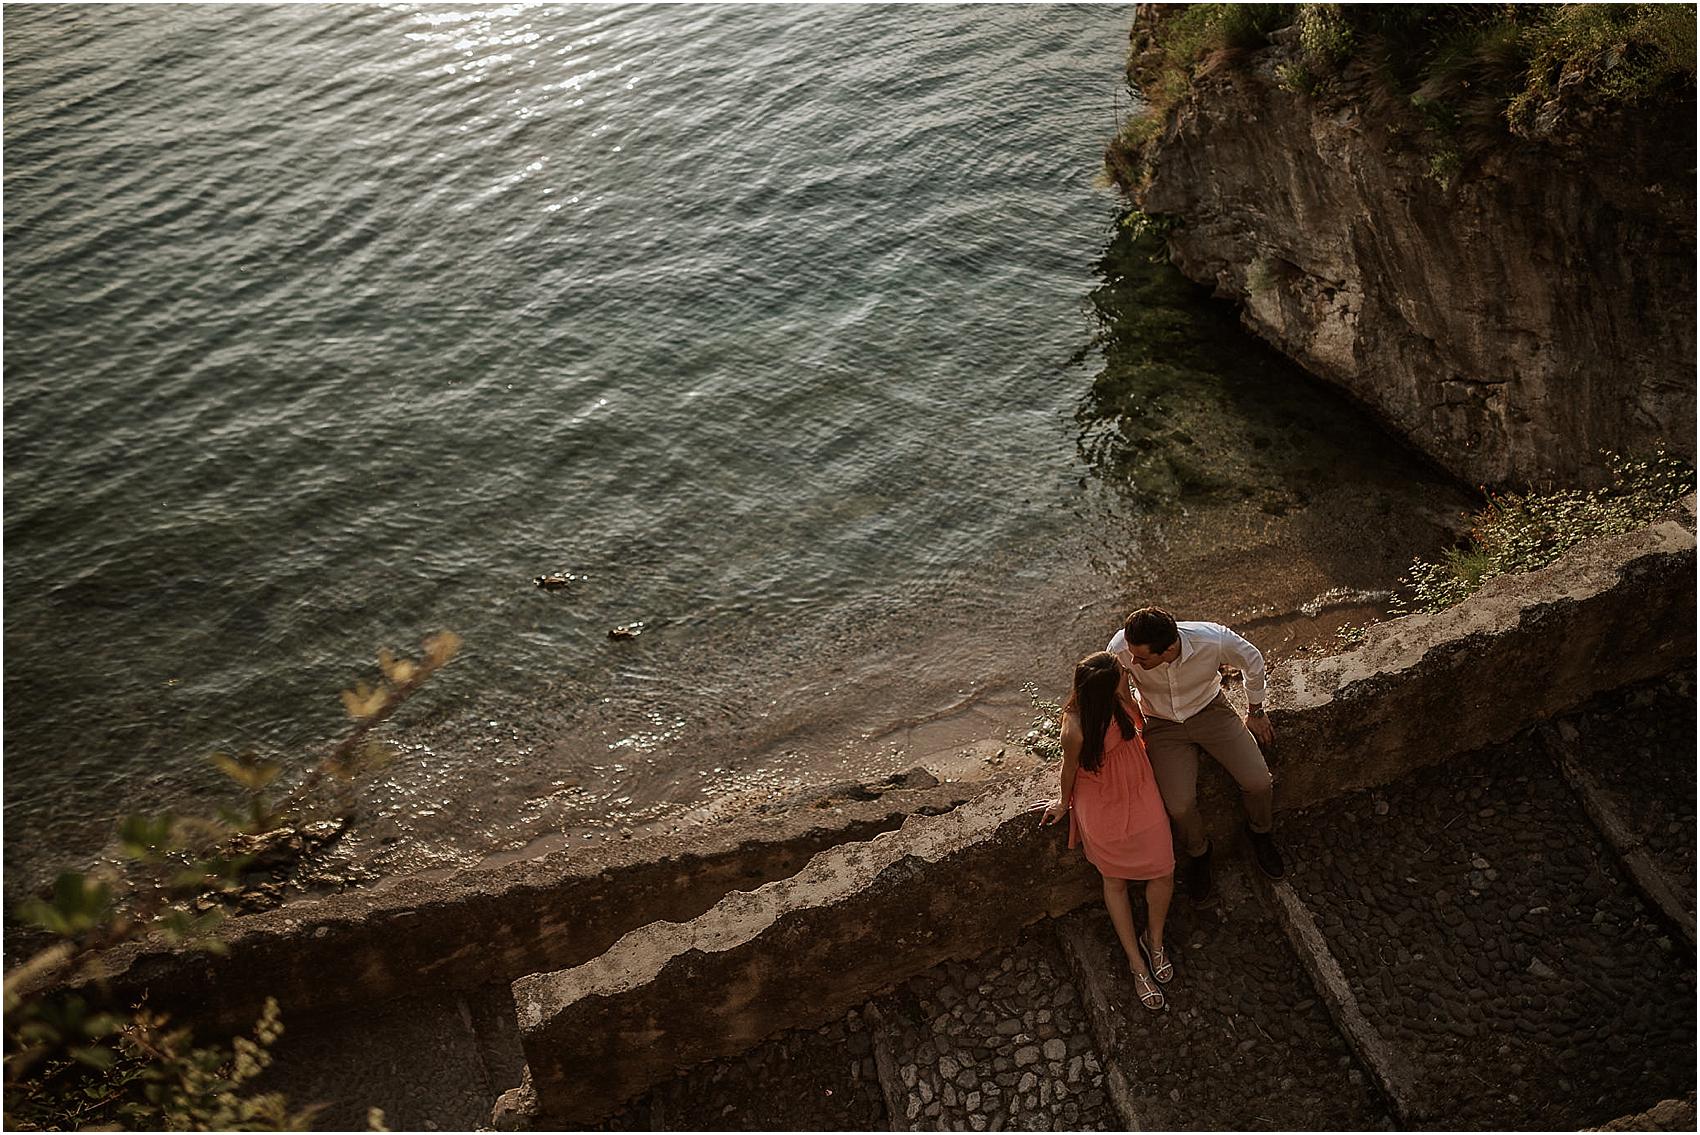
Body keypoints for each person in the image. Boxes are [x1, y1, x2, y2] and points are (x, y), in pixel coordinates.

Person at [1108, 606, 1286, 902]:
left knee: (1259, 782)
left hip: (1211, 712)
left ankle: (1260, 833)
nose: (1133, 661)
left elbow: (1253, 659)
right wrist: (1134, 721)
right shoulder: (1121, 647)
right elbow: (1115, 686)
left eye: (1141, 658)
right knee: (1178, 805)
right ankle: (1200, 852)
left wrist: (1255, 710)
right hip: (1161, 725)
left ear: (1167, 649)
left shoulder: (1212, 639)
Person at [1040, 651, 1176, 1011]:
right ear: (1103, 688)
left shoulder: (1119, 699)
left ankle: (1155, 940)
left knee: (1163, 868)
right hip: (1101, 804)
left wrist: (1125, 687)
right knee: (1113, 880)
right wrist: (1061, 803)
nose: (1125, 672)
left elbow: (1140, 724)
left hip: (1140, 790)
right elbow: (1068, 772)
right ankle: (1135, 963)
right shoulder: (1076, 727)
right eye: (1120, 673)